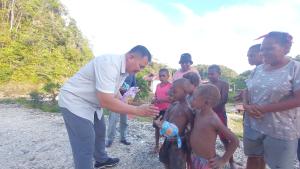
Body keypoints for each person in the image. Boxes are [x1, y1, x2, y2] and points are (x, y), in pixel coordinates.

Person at [58, 45, 159, 169]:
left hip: (92, 103)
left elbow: (115, 94)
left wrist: (133, 107)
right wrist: (137, 110)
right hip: (75, 100)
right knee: (85, 141)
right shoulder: (109, 64)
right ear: (131, 57)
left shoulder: (124, 71)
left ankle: (101, 160)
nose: (140, 70)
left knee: (100, 131)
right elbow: (106, 101)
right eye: (141, 66)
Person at [243, 31, 300, 169]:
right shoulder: (258, 70)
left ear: (286, 48)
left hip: (280, 130)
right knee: (254, 159)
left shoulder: (295, 68)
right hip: (253, 125)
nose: (264, 53)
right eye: (262, 49)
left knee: (280, 166)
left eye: (270, 48)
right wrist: (246, 105)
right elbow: (247, 90)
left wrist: (263, 109)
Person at [189, 84, 239, 169]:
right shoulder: (198, 112)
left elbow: (235, 140)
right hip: (195, 157)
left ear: (206, 102)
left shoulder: (213, 120)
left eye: (194, 98)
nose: (191, 100)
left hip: (207, 162)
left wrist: (223, 160)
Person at [235, 44, 265, 169]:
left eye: (251, 55)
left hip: (262, 116)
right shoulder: (255, 71)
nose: (248, 57)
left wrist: (246, 103)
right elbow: (250, 89)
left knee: (261, 154)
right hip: (250, 116)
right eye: (248, 55)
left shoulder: (269, 71)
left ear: (262, 54)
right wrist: (244, 95)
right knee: (253, 153)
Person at [155, 78, 194, 169]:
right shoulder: (174, 105)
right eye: (171, 89)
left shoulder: (187, 109)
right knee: (166, 161)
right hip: (167, 140)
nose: (171, 92)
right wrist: (161, 124)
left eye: (174, 90)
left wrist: (189, 143)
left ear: (185, 92)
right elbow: (166, 120)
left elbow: (192, 127)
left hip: (178, 145)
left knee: (177, 165)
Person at [207, 65, 238, 169]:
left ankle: (231, 160)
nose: (210, 76)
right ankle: (210, 161)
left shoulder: (224, 84)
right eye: (209, 74)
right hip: (208, 114)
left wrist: (209, 108)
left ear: (219, 74)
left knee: (224, 138)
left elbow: (224, 100)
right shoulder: (207, 85)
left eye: (212, 74)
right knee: (209, 138)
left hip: (219, 114)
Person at [106, 74, 137, 148]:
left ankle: (123, 138)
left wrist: (131, 95)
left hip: (125, 102)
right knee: (113, 120)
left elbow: (134, 87)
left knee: (124, 121)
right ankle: (109, 139)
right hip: (115, 101)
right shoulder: (119, 72)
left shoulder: (132, 75)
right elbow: (111, 85)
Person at [152, 68, 172, 152]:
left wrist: (161, 100)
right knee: (156, 128)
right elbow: (156, 96)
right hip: (157, 109)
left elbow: (172, 99)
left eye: (163, 75)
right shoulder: (157, 86)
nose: (161, 77)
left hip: (166, 110)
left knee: (166, 129)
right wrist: (154, 99)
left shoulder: (171, 86)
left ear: (168, 76)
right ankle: (156, 145)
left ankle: (165, 147)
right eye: (160, 76)